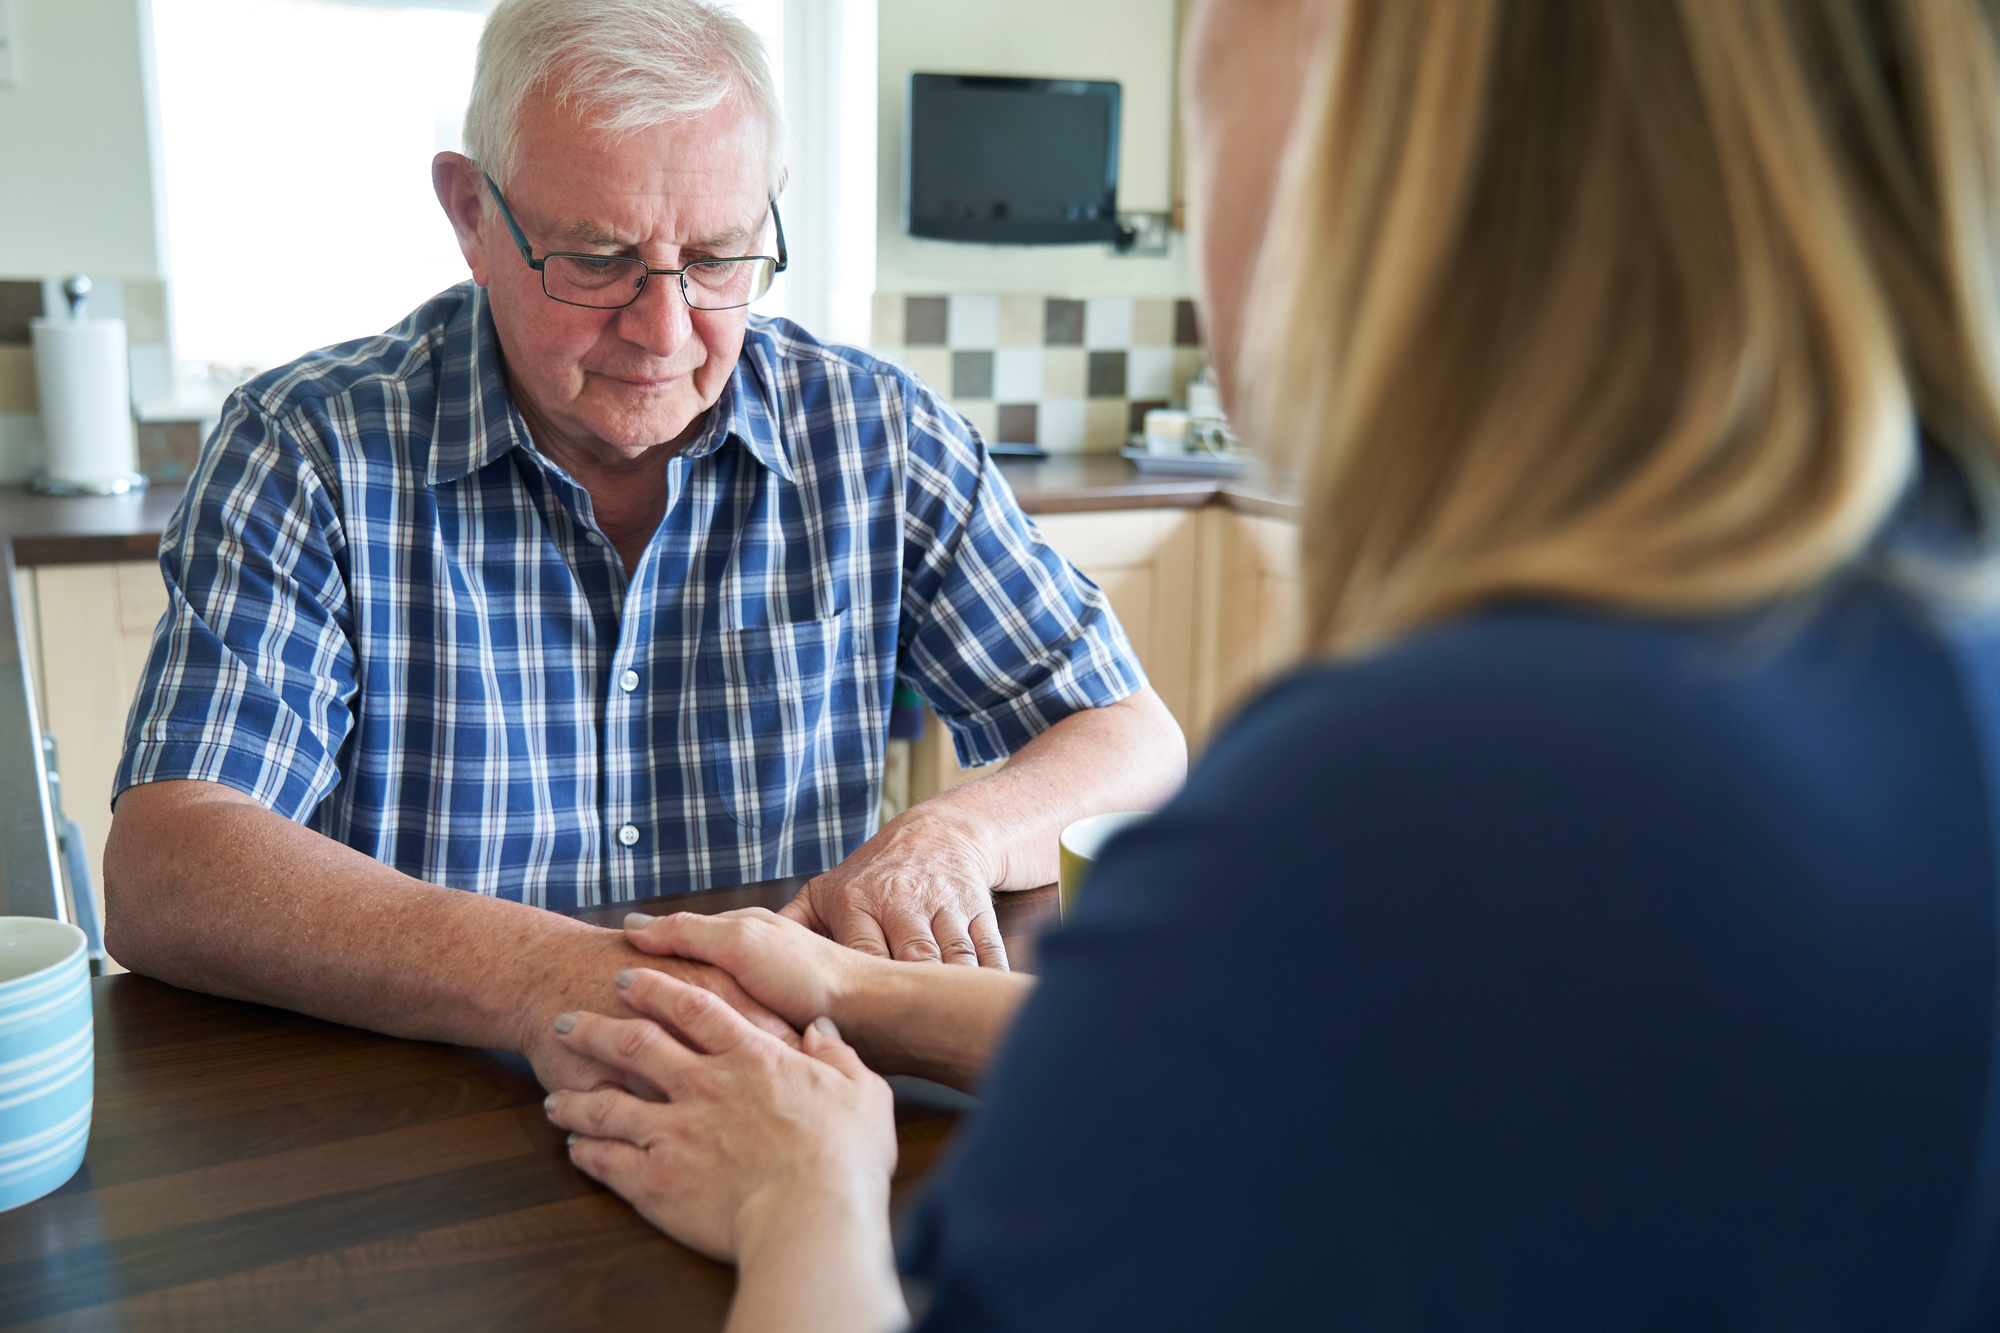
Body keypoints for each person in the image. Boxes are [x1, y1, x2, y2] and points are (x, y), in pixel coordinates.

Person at [538, 0, 2000, 1327]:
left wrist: (810, 1196)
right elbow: (1278, 1062)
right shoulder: (1927, 654)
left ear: (1375, 158)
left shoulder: (1410, 787)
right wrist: (852, 996)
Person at [100, 0, 1184, 1096]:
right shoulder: (308, 447)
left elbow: (1131, 737)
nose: (665, 330)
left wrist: (951, 834)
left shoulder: (873, 434)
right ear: (472, 216)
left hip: (786, 1097)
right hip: (424, 1108)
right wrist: (558, 976)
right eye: (597, 258)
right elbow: (169, 867)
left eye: (716, 259)